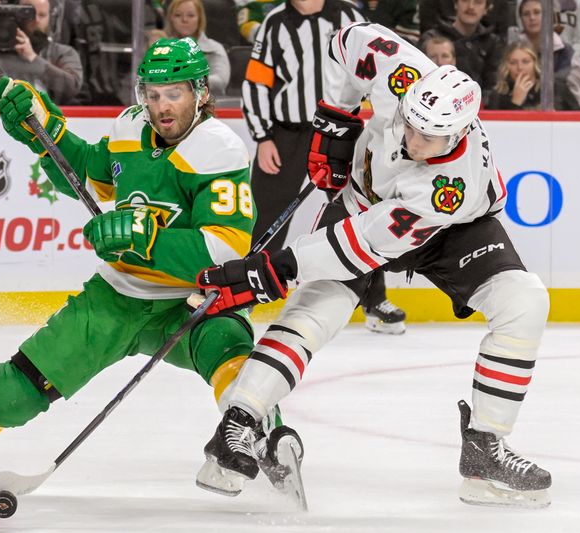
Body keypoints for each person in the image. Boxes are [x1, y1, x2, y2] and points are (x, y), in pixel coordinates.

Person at [0, 38, 297, 496]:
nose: (161, 106)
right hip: (117, 298)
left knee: (234, 356)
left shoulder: (218, 148)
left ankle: (266, 441)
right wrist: (43, 132)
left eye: (173, 93)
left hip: (192, 302)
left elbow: (225, 249)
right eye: (152, 94)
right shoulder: (129, 127)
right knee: (18, 389)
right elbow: (87, 172)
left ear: (200, 92)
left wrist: (146, 237)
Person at [194, 23, 552, 509]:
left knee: (524, 301)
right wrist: (336, 118)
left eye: (428, 136)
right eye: (408, 122)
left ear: (459, 132)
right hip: (363, 202)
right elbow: (346, 40)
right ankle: (238, 423)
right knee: (313, 313)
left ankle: (485, 448)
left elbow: (359, 246)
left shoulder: (450, 186)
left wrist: (270, 270)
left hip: (448, 229)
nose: (411, 139)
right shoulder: (404, 75)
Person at [243, 0, 407, 335]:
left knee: (358, 213)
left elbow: (380, 71)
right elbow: (256, 82)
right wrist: (263, 137)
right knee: (265, 217)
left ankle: (373, 298)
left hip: (340, 131)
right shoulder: (275, 22)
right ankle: (244, 295)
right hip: (285, 134)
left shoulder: (350, 16)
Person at [0, 0, 83, 104]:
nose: (36, 20)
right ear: (18, 16)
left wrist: (33, 58)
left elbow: (73, 87)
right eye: (30, 14)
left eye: (42, 15)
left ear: (50, 18)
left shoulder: (61, 52)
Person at [509, 0, 580, 108]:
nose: (532, 18)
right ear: (520, 19)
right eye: (526, 14)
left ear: (550, 16)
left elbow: (575, 101)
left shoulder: (568, 55)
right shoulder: (511, 54)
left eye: (537, 12)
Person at [420, 0, 505, 89]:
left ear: (486, 9)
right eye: (465, 0)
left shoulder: (492, 42)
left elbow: (491, 85)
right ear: (456, 4)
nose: (471, 6)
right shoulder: (431, 38)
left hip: (477, 100)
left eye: (478, 2)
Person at [485, 40, 580, 109]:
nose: (520, 67)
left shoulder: (555, 88)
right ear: (506, 66)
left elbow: (579, 119)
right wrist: (515, 102)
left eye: (526, 62)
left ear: (535, 64)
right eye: (513, 62)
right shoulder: (497, 95)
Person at [165, 0, 230, 96]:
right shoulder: (161, 49)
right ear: (171, 19)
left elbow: (220, 81)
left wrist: (188, 79)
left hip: (208, 106)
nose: (184, 20)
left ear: (199, 19)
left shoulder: (214, 48)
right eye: (178, 15)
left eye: (190, 15)